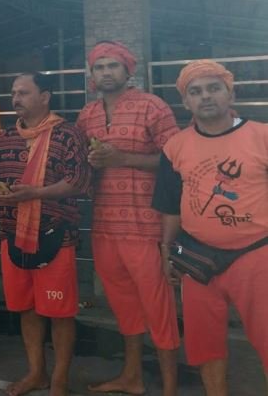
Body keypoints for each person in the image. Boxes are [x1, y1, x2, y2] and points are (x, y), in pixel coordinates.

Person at [152, 60, 268, 396]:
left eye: (214, 88)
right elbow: (171, 207)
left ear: (231, 94)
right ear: (185, 102)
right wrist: (167, 252)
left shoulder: (262, 136)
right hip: (197, 257)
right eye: (195, 91)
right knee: (205, 345)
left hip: (256, 256)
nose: (205, 96)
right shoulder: (175, 147)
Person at [77, 42, 180, 395]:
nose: (106, 72)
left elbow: (176, 159)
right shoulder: (87, 115)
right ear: (92, 74)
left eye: (112, 66)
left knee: (159, 308)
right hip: (104, 226)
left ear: (127, 70)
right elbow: (80, 164)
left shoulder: (153, 106)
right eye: (99, 67)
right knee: (125, 308)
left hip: (146, 226)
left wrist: (124, 159)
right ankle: (132, 377)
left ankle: (169, 388)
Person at [0, 72, 91, 396]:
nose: (16, 98)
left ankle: (59, 380)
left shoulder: (68, 134)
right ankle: (37, 373)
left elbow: (79, 181)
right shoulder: (5, 137)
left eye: (24, 92)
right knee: (26, 308)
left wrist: (36, 194)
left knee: (59, 313)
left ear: (45, 97)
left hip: (56, 237)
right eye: (14, 93)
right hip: (12, 236)